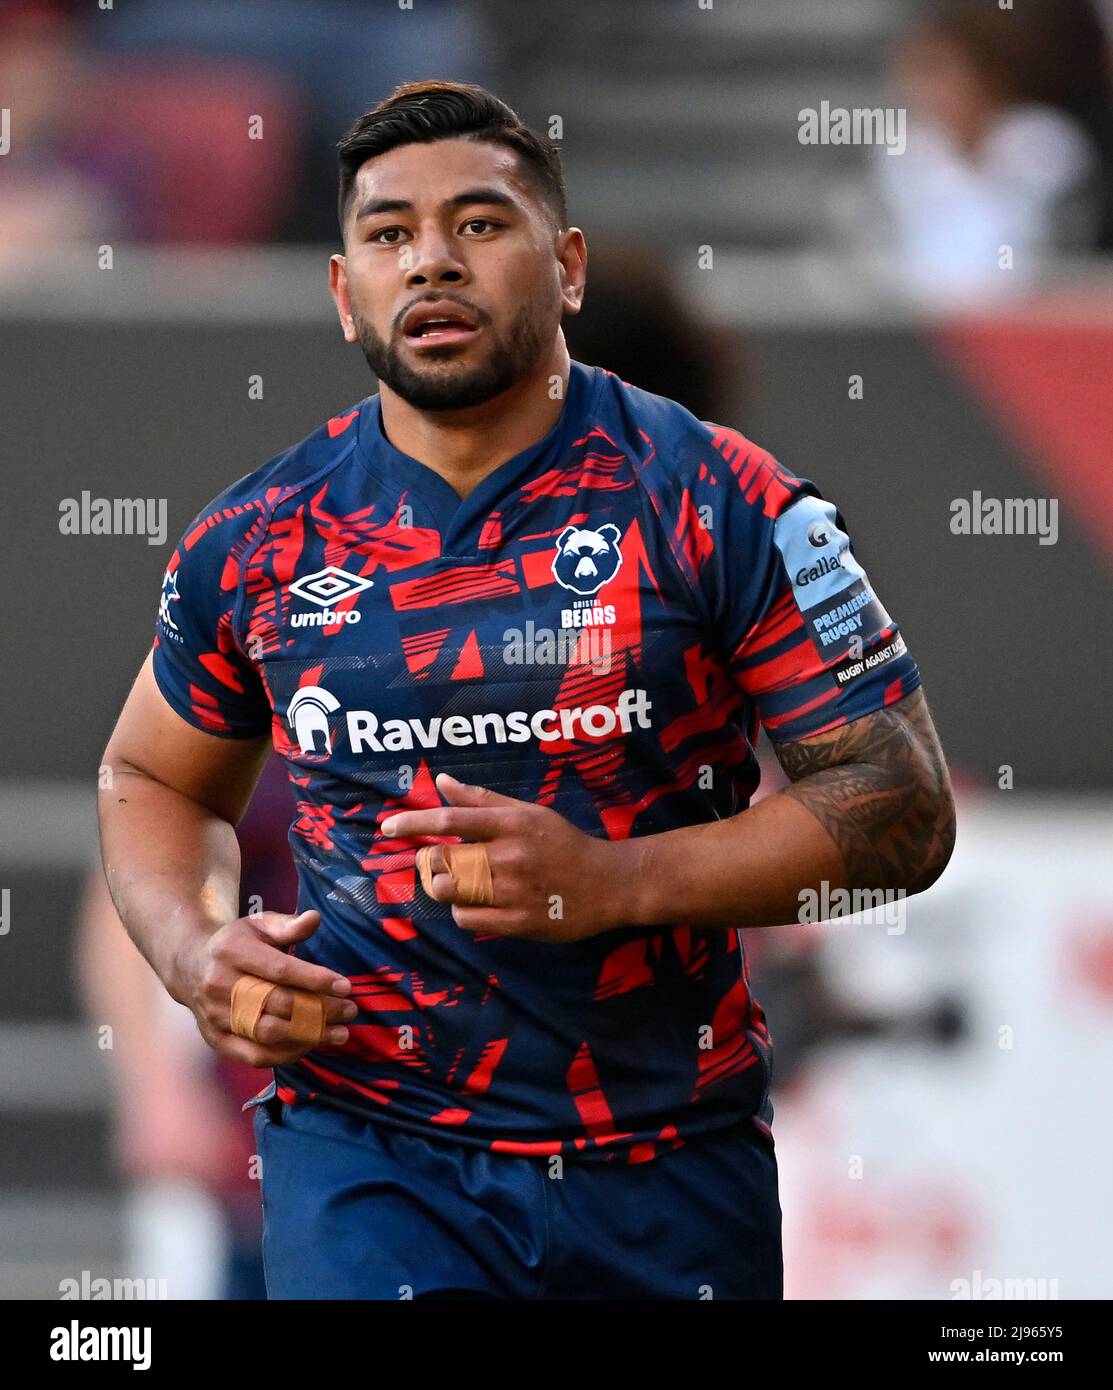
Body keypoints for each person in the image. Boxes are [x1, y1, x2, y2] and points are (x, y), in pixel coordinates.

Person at [97, 80, 956, 1301]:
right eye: (389, 235)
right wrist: (194, 950)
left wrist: (617, 880)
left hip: (669, 1159)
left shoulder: (723, 498)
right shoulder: (257, 540)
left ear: (568, 267)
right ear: (346, 293)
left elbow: (907, 805)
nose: (431, 262)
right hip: (368, 1152)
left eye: (480, 224)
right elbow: (148, 777)